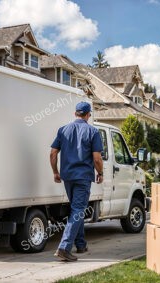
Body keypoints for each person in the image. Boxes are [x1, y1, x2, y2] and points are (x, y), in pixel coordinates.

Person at [50, 101, 103, 262]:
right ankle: (64, 248)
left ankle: (80, 244)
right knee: (78, 210)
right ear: (88, 115)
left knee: (76, 210)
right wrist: (100, 172)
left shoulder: (63, 130)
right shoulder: (93, 132)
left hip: (68, 177)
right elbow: (97, 158)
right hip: (83, 178)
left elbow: (53, 154)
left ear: (75, 114)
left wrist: (55, 172)